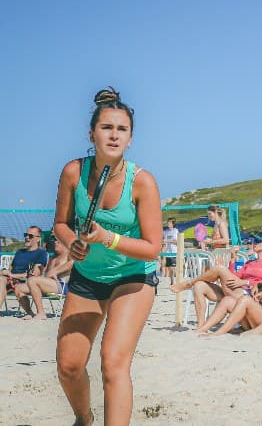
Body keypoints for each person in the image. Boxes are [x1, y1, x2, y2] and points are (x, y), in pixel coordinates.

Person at [53, 87, 163, 426]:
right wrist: (73, 243)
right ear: (92, 133)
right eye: (107, 127)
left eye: (122, 129)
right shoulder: (74, 172)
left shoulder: (142, 182)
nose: (114, 135)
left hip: (133, 277)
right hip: (88, 276)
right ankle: (83, 418)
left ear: (130, 138)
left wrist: (107, 237)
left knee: (113, 362)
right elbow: (60, 224)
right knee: (69, 365)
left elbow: (152, 247)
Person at [170, 233, 262, 327]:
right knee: (199, 286)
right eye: (253, 241)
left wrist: (245, 282)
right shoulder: (249, 262)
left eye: (257, 241)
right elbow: (234, 275)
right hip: (235, 290)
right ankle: (201, 325)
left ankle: (189, 283)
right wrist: (233, 258)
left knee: (220, 268)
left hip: (249, 294)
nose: (254, 243)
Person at [197, 248, 262, 336]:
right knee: (228, 300)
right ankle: (202, 329)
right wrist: (257, 286)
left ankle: (218, 333)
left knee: (246, 299)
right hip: (258, 317)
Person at [15, 236, 73, 320]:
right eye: (55, 241)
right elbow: (45, 274)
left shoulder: (69, 254)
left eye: (58, 241)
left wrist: (56, 271)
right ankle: (29, 313)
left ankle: (41, 313)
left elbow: (73, 263)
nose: (55, 242)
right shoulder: (52, 257)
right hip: (49, 285)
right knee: (18, 287)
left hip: (63, 285)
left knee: (32, 281)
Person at [0, 225, 48, 312]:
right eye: (26, 235)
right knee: (1, 279)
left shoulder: (41, 253)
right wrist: (7, 274)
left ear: (38, 239)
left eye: (30, 236)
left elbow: (35, 274)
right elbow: (11, 268)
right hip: (10, 280)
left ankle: (30, 312)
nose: (27, 237)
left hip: (25, 282)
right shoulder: (19, 252)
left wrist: (13, 276)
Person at [162, 217, 179, 285]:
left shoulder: (176, 231)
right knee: (169, 268)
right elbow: (164, 242)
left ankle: (177, 281)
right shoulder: (166, 232)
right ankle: (172, 282)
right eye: (168, 222)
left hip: (174, 252)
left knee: (174, 268)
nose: (168, 224)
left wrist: (167, 241)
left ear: (173, 224)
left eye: (169, 222)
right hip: (168, 252)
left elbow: (177, 242)